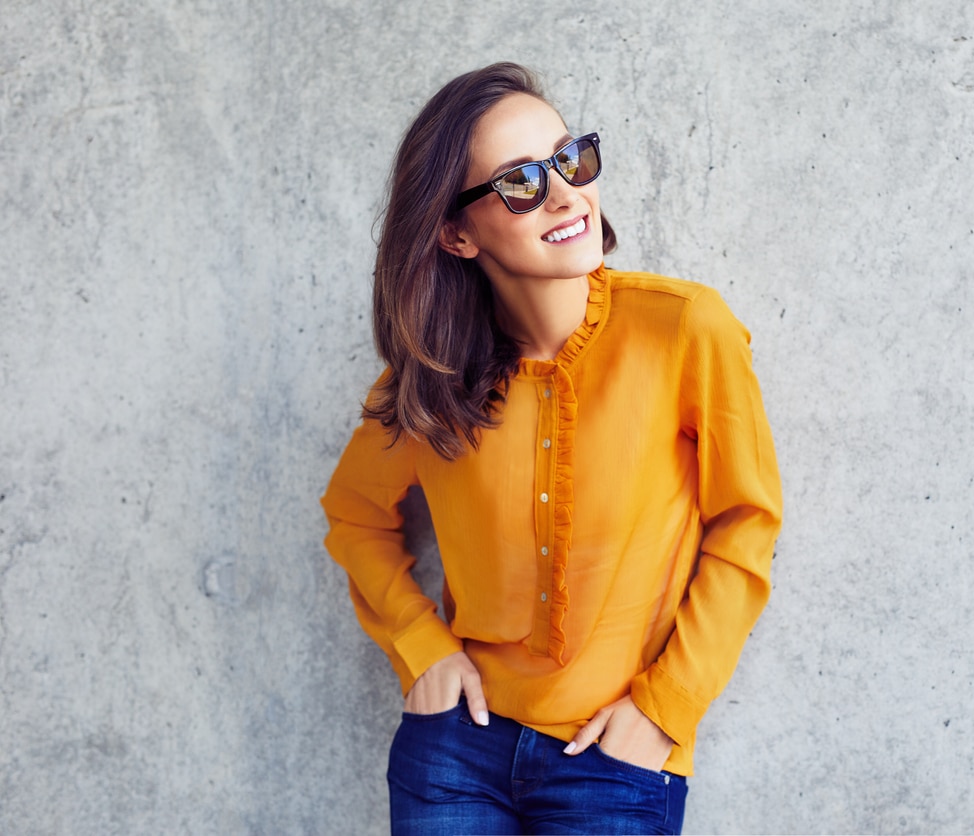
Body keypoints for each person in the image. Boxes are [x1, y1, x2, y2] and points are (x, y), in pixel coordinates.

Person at [321, 62, 782, 835]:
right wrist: (421, 645)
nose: (566, 194)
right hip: (453, 755)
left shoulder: (684, 329)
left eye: (572, 159)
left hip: (615, 759)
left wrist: (666, 709)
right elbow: (353, 514)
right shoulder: (430, 375)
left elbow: (747, 526)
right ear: (455, 233)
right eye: (521, 182)